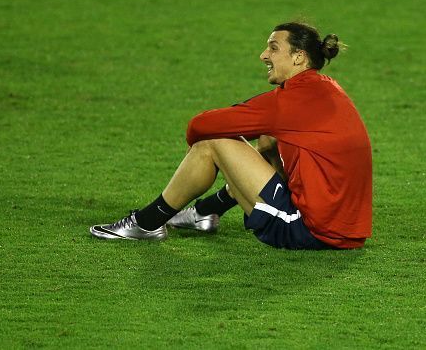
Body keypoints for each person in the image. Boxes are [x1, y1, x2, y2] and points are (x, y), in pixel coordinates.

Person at [90, 22, 372, 250]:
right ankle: (205, 213)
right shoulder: (325, 88)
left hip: (309, 229)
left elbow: (199, 126)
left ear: (299, 56)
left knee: (212, 142)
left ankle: (147, 223)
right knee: (268, 140)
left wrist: (216, 149)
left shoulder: (293, 100)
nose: (264, 55)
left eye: (273, 48)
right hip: (342, 227)